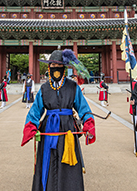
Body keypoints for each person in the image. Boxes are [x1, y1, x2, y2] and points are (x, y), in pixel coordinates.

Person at [21, 49, 96, 191]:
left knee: (68, 164)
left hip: (68, 131)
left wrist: (88, 122)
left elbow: (84, 108)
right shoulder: (44, 88)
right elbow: (35, 111)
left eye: (59, 67)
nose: (56, 70)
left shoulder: (73, 87)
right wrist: (31, 125)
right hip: (48, 130)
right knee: (48, 162)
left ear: (64, 68)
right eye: (52, 67)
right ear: (49, 68)